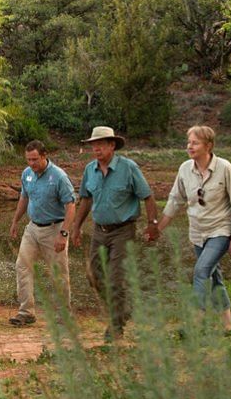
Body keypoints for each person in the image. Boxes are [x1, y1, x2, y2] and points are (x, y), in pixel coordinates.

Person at [155, 125, 231, 331]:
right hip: (197, 233)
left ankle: (194, 324)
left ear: (208, 145)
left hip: (220, 230)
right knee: (214, 278)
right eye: (189, 142)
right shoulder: (184, 169)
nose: (190, 146)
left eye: (195, 142)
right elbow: (175, 201)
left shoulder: (225, 168)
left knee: (201, 270)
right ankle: (228, 327)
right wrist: (158, 228)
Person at [72, 126, 158, 342]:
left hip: (123, 231)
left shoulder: (128, 168)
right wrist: (75, 227)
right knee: (93, 275)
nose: (96, 148)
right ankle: (122, 309)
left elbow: (147, 196)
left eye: (100, 143)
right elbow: (86, 199)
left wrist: (152, 224)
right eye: (93, 144)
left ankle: (116, 325)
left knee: (116, 279)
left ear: (112, 145)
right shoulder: (89, 169)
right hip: (99, 231)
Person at [8, 140, 76, 326]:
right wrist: (15, 221)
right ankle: (26, 312)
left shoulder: (59, 176)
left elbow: (70, 206)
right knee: (22, 266)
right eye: (28, 159)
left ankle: (64, 315)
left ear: (44, 156)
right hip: (32, 228)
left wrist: (64, 233)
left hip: (54, 228)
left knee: (58, 272)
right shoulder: (27, 174)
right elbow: (24, 197)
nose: (31, 163)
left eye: (35, 159)